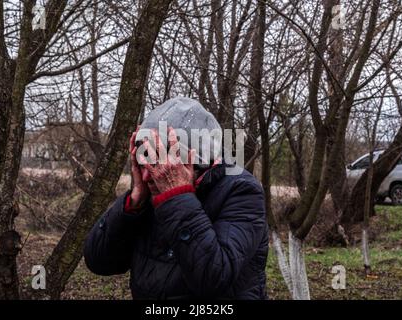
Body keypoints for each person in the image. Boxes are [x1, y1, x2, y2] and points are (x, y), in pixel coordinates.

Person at [84, 97, 268, 299]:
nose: (150, 175)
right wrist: (134, 203)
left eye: (162, 164)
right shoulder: (149, 192)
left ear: (198, 162)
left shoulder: (242, 190)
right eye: (147, 162)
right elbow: (99, 261)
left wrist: (177, 196)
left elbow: (213, 277)